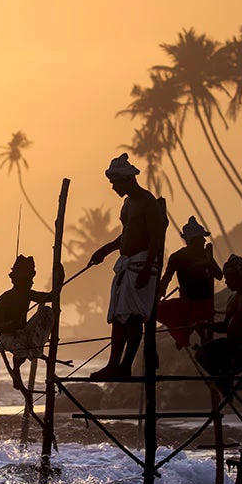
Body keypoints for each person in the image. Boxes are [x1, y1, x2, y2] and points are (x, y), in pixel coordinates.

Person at [87, 153, 166, 380]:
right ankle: (114, 364)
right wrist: (105, 250)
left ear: (127, 179)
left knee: (133, 318)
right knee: (120, 316)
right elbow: (126, 234)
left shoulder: (147, 202)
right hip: (128, 263)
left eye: (115, 183)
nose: (113, 188)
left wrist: (147, 268)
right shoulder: (128, 203)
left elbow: (156, 238)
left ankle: (124, 365)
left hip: (142, 264)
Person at [195, 254, 242, 392]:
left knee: (222, 360)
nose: (226, 282)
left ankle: (225, 382)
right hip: (232, 345)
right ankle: (225, 383)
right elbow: (226, 326)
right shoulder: (232, 299)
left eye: (229, 278)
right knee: (201, 354)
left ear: (240, 276)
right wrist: (207, 325)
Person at [157, 216, 222, 349]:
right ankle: (184, 336)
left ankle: (198, 337)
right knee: (158, 310)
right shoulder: (177, 257)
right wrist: (157, 297)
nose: (204, 241)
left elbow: (219, 275)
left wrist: (207, 262)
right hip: (186, 302)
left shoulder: (205, 255)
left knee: (198, 318)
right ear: (192, 241)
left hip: (204, 303)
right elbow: (166, 279)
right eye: (200, 239)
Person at [0, 255, 56, 392]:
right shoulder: (5, 299)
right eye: (24, 280)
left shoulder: (28, 294)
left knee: (46, 312)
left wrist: (59, 284)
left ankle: (33, 351)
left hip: (23, 333)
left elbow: (49, 297)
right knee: (21, 349)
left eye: (29, 279)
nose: (29, 283)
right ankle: (17, 367)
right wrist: (10, 325)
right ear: (14, 279)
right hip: (8, 336)